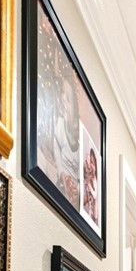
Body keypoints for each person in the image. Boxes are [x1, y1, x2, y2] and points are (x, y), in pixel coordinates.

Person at [53, 74, 79, 207]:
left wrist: (76, 188)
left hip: (74, 198)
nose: (63, 99)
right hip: (61, 185)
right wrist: (61, 172)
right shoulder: (59, 125)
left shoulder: (80, 143)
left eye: (68, 98)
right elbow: (56, 150)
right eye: (62, 93)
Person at [82, 146, 98, 224]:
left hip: (94, 216)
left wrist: (90, 187)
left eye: (91, 162)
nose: (90, 164)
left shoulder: (94, 179)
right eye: (89, 161)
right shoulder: (88, 176)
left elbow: (95, 195)